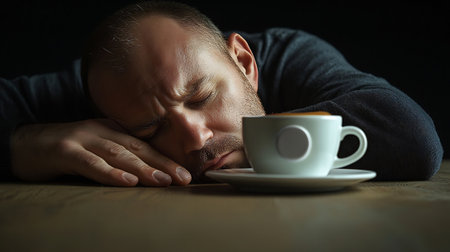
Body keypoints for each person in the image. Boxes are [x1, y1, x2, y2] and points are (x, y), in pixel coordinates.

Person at [0, 1, 443, 186]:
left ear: (244, 63)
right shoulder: (108, 90)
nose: (194, 137)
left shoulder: (289, 55)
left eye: (201, 97)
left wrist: (262, 148)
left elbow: (412, 137)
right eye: (150, 128)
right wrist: (23, 144)